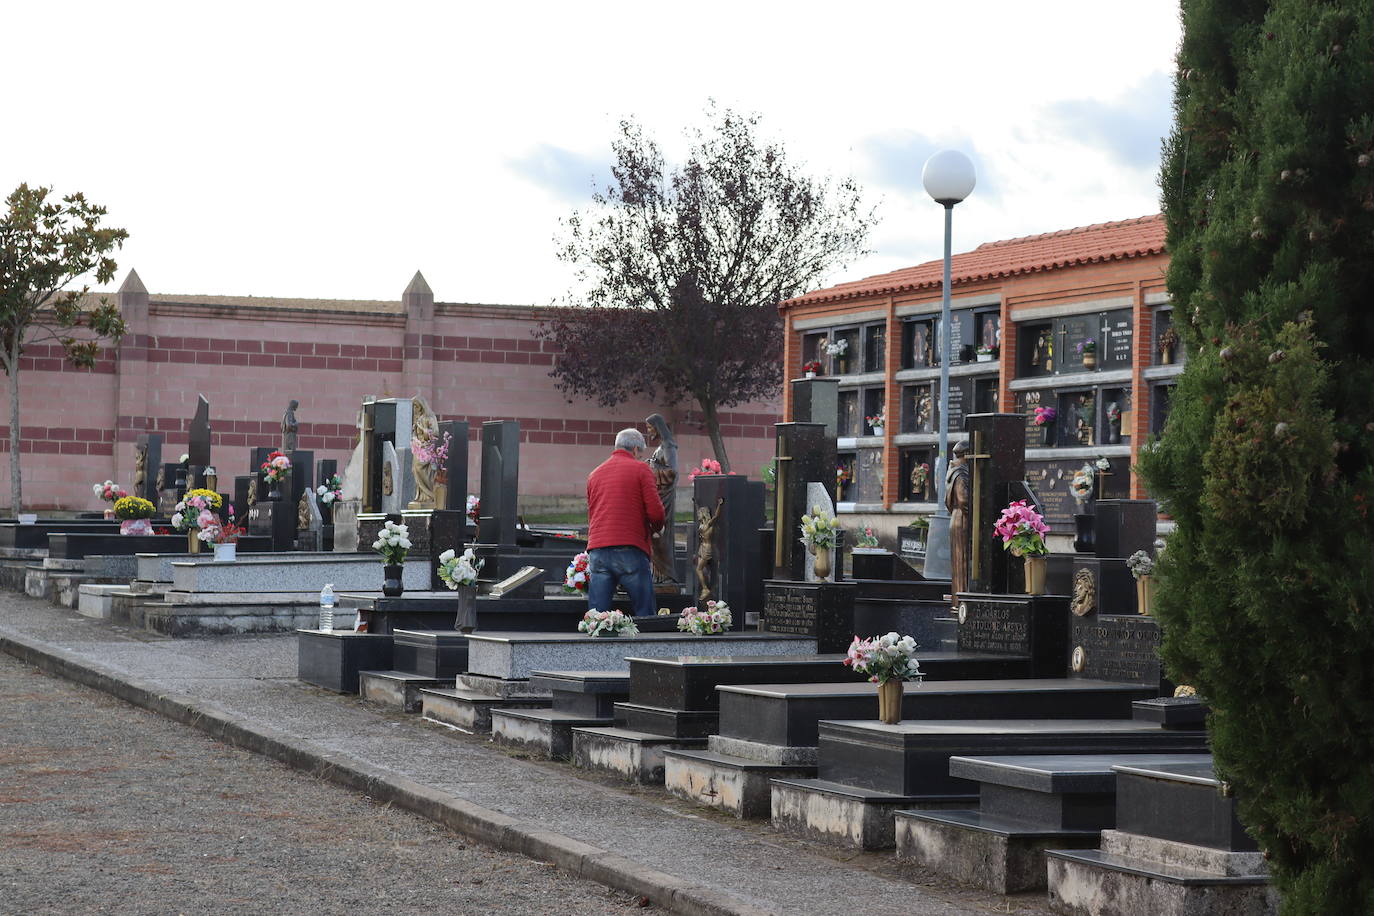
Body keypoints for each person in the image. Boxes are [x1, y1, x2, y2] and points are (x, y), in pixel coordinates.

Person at [586, 428, 666, 617]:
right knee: (644, 613)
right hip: (630, 548)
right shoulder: (641, 469)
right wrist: (656, 529)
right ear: (636, 449)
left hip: (598, 550)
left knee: (597, 617)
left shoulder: (594, 474)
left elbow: (593, 512)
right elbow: (656, 512)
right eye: (641, 453)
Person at [945, 440, 971, 608]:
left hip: (956, 516)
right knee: (961, 561)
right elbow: (964, 499)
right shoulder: (960, 473)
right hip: (962, 517)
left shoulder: (952, 470)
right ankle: (961, 603)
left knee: (959, 561)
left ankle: (959, 601)